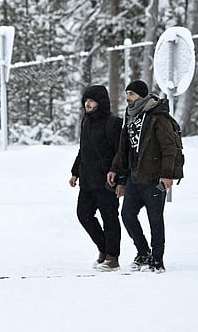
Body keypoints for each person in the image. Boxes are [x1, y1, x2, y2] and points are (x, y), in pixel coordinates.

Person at [107, 80, 178, 273]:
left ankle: (157, 260)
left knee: (155, 219)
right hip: (134, 177)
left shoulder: (157, 116)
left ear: (141, 96)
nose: (127, 97)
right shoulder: (129, 116)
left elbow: (168, 147)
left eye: (131, 94)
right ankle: (143, 252)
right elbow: (124, 148)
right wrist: (116, 170)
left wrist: (166, 174)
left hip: (155, 178)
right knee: (127, 215)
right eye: (127, 93)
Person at [69, 85, 123, 271]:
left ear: (100, 102)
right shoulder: (86, 121)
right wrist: (75, 172)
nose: (87, 104)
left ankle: (112, 257)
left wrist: (121, 180)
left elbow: (121, 153)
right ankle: (103, 248)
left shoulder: (113, 122)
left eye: (91, 100)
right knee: (83, 214)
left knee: (110, 218)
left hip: (107, 181)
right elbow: (83, 150)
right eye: (86, 100)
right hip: (87, 179)